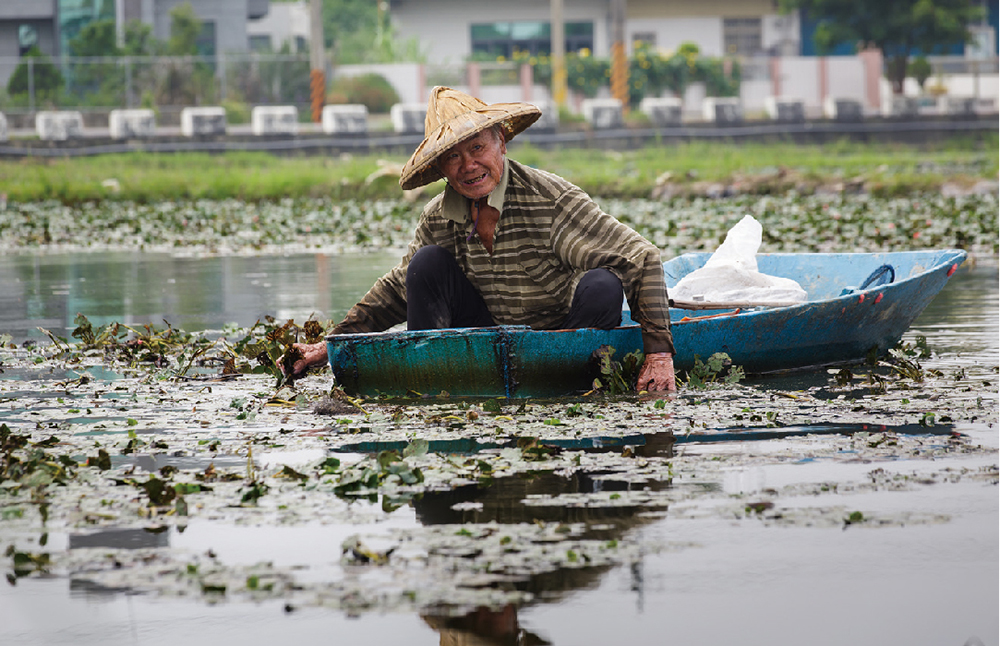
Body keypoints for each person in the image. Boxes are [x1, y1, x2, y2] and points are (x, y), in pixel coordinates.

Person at [287, 86, 676, 391]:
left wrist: (658, 354)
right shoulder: (439, 216)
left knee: (604, 284)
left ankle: (570, 385)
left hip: (562, 337)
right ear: (441, 167)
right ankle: (431, 381)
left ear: (501, 143)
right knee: (425, 265)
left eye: (477, 148)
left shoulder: (551, 200)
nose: (469, 165)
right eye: (453, 157)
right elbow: (397, 290)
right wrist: (331, 344)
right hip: (488, 338)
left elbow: (641, 258)